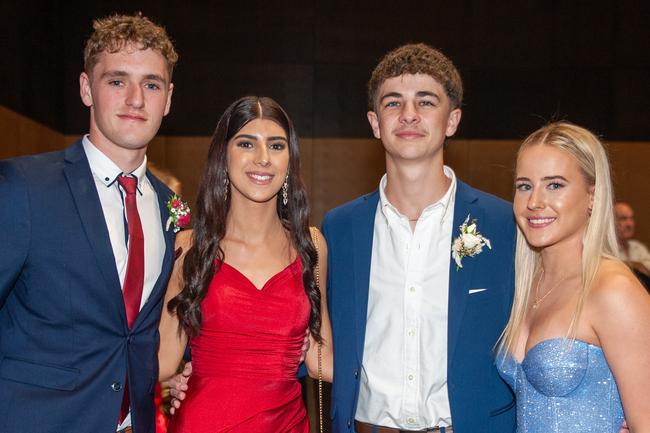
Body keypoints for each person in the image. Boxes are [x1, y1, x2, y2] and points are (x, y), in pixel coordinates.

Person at [322, 43, 517, 433]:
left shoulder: (503, 224)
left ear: (452, 120)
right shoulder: (339, 228)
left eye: (426, 102)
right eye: (393, 103)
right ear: (375, 123)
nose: (408, 114)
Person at [0, 13, 177, 433]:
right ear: (86, 88)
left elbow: (140, 330)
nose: (136, 99)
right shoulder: (23, 188)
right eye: (117, 81)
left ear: (168, 99)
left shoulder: (172, 207)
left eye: (151, 85)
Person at [157, 96, 333, 433]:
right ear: (224, 156)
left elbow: (322, 363)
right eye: (247, 143)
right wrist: (171, 382)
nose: (263, 159)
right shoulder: (190, 247)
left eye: (277, 146)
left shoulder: (311, 247)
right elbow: (162, 361)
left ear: (290, 159)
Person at [497, 122, 650, 432]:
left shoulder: (612, 288)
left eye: (555, 185)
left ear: (592, 195)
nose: (534, 202)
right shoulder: (527, 285)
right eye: (524, 185)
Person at [615, 201, 650, 282]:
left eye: (631, 218)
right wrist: (636, 265)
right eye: (623, 219)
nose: (629, 224)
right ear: (611, 221)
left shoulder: (638, 247)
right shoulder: (605, 249)